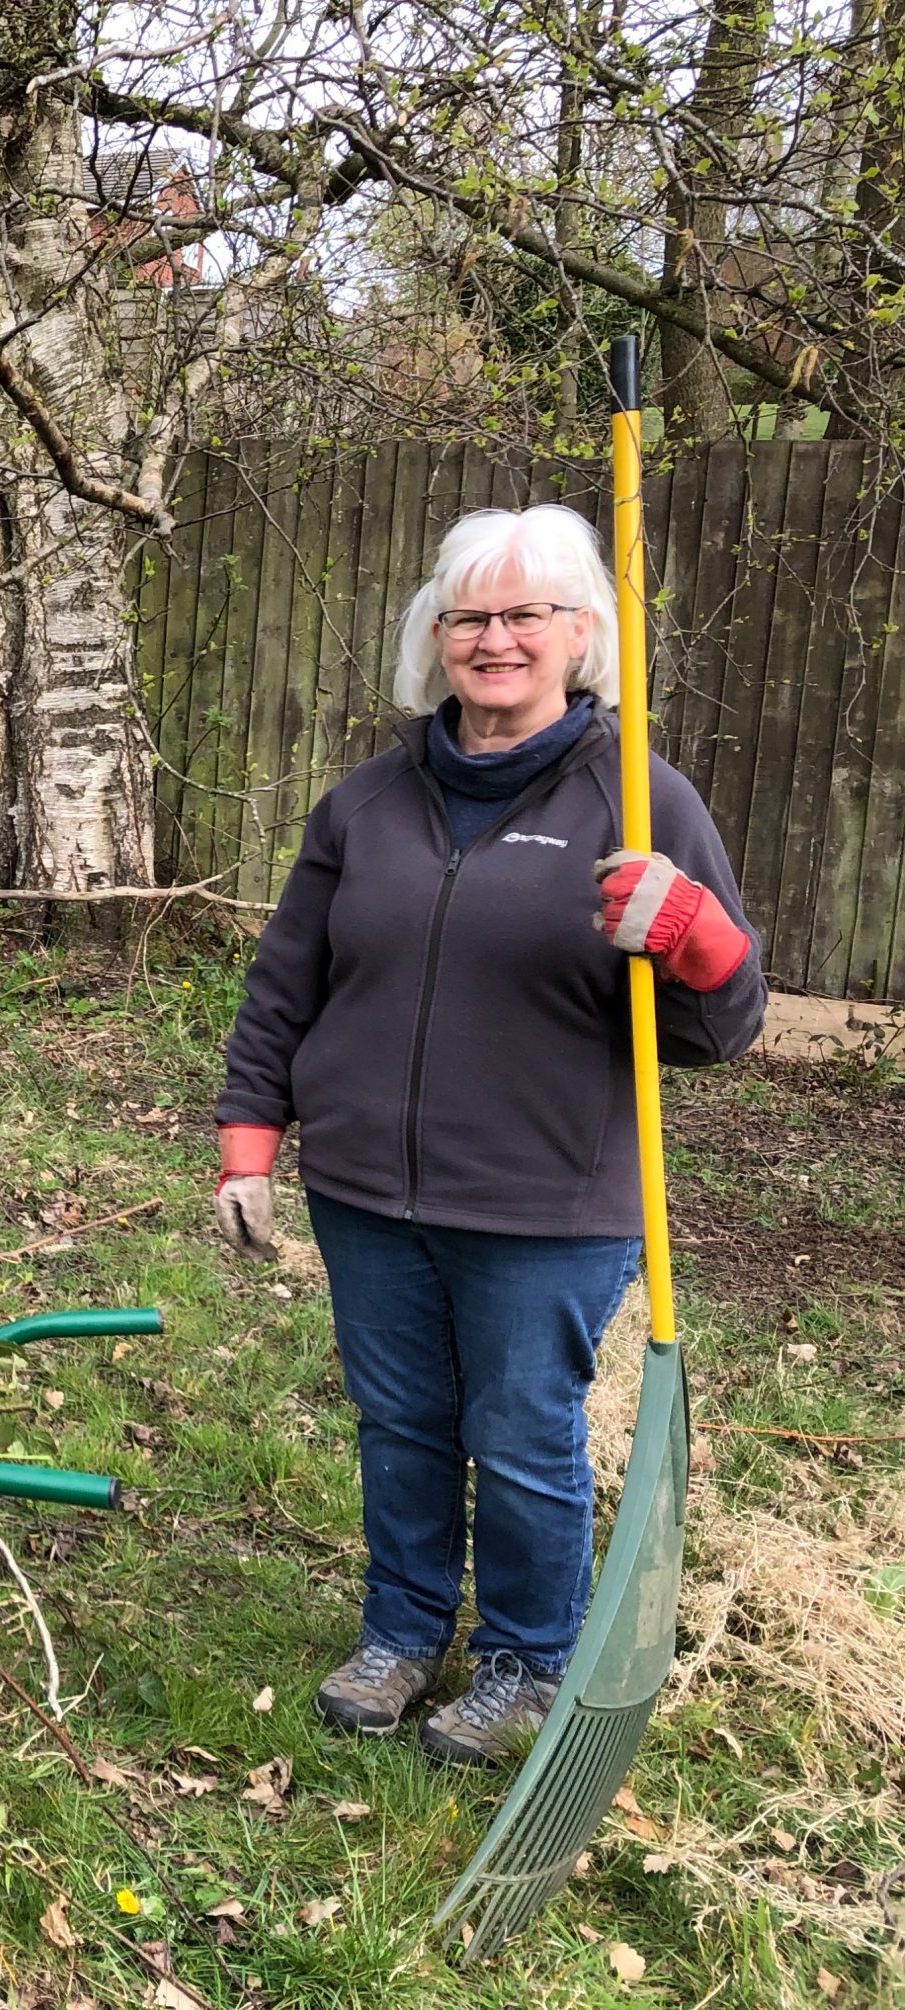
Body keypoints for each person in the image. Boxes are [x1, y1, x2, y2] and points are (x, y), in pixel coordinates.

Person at [213, 503, 766, 1766]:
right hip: (364, 1188)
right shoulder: (366, 802)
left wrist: (695, 937)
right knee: (400, 1419)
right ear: (434, 637)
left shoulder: (639, 799)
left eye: (527, 615)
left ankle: (526, 1660)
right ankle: (404, 1631)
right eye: (470, 616)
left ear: (580, 636)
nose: (496, 639)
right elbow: (284, 984)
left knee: (521, 1439)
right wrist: (252, 1140)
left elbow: (724, 1026)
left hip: (542, 1203)